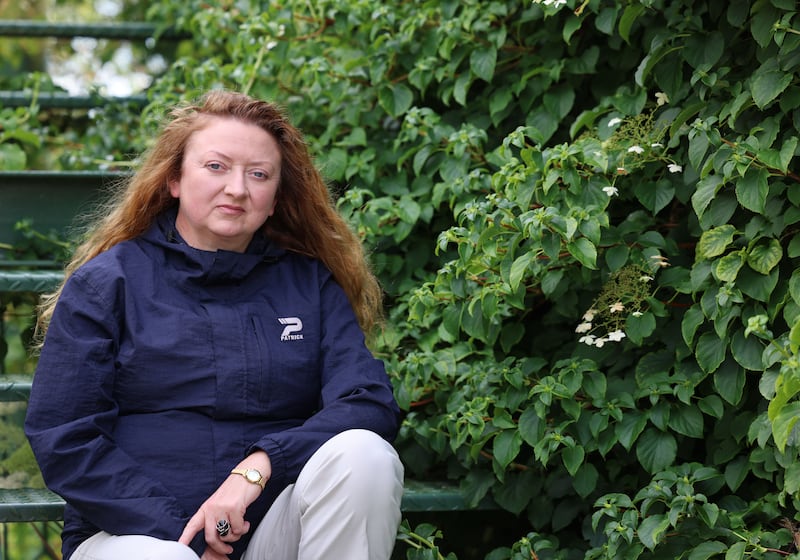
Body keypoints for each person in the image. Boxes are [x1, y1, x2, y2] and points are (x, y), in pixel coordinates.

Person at [24, 90, 404, 560]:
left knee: (364, 456)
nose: (237, 188)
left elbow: (366, 401)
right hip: (134, 538)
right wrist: (192, 535)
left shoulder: (308, 284)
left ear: (275, 198)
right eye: (216, 167)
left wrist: (259, 468)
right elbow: (66, 438)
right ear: (174, 180)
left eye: (258, 174)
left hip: (271, 531)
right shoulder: (107, 284)